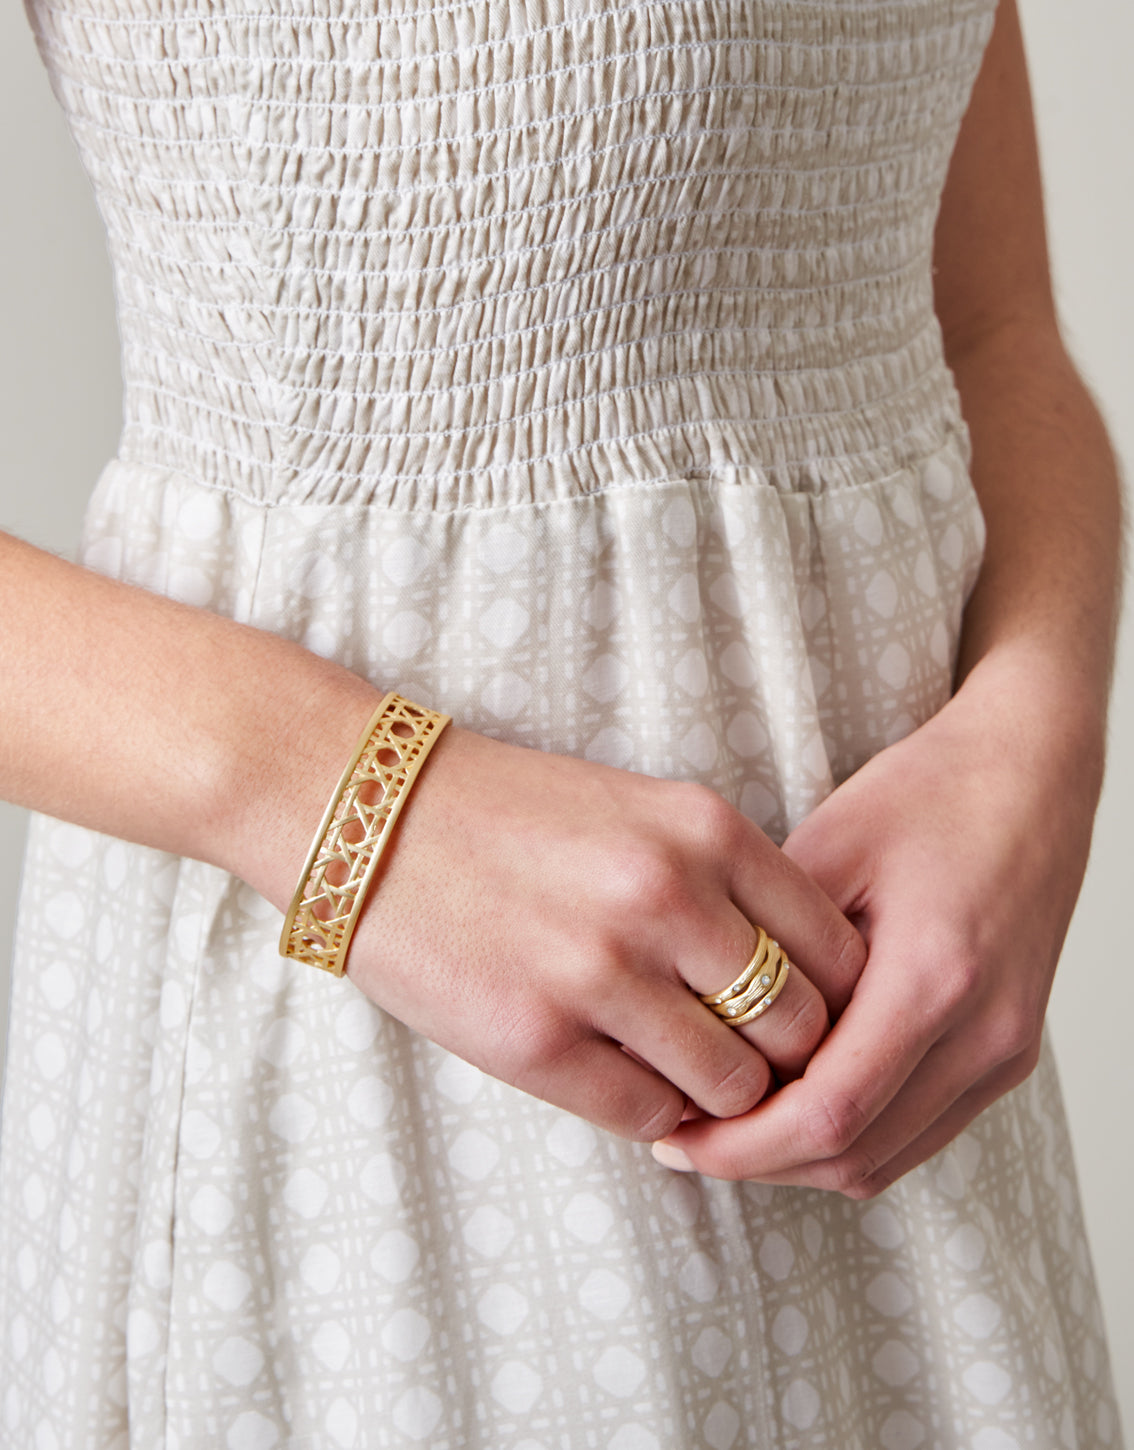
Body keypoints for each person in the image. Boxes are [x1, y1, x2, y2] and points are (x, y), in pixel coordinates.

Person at [0, 0, 1124, 1443]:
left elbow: (989, 327)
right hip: (377, 1068)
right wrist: (361, 810)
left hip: (913, 1112)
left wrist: (1037, 720)